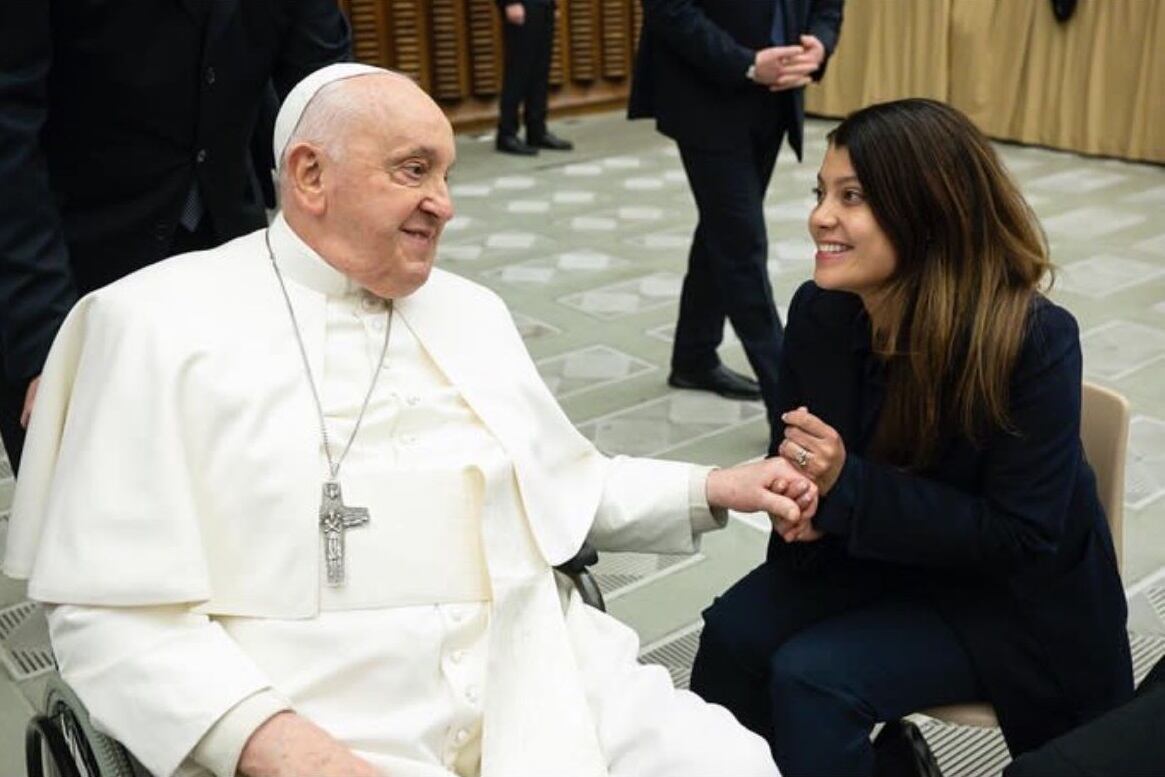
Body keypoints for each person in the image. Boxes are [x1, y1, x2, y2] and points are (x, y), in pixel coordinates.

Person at [4, 64, 819, 777]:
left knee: (732, 762)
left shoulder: (471, 310)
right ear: (309, 175)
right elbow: (112, 613)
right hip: (315, 710)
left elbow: (558, 484)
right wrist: (276, 742)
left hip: (540, 667)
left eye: (447, 175)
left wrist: (712, 485)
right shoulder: (151, 325)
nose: (445, 204)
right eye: (413, 170)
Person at [686, 98, 1133, 776]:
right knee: (731, 636)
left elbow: (1019, 536)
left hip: (1003, 598)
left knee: (812, 679)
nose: (820, 216)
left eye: (852, 196)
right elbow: (806, 460)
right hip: (868, 552)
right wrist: (798, 497)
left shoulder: (1032, 339)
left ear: (928, 211)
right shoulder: (821, 311)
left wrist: (843, 489)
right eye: (820, 193)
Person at [0, 0, 351, 474]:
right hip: (64, 271)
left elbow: (330, 94)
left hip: (233, 256)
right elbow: (9, 137)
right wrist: (47, 346)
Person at [627, 0, 844, 438]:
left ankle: (693, 356)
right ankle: (790, 408)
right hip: (705, 97)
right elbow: (670, 10)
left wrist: (819, 45)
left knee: (722, 232)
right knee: (742, 244)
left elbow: (828, 6)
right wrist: (745, 64)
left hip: (775, 99)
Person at [494, 0, 573, 156]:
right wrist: (510, 3)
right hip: (522, 5)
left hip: (543, 6)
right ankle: (506, 134)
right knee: (518, 71)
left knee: (540, 71)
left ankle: (537, 131)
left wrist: (552, 5)